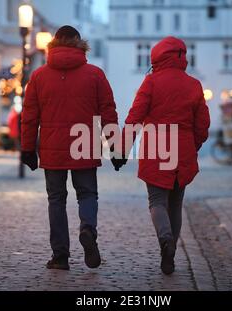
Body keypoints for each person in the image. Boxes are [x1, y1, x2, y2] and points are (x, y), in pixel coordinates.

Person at [20, 26, 118, 270]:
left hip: (52, 147)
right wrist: (116, 147)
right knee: (87, 194)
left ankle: (60, 256)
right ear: (79, 44)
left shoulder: (39, 76)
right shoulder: (95, 75)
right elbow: (108, 112)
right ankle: (87, 229)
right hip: (84, 144)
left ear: (53, 44)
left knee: (56, 199)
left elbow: (29, 117)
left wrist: (27, 148)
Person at [112, 37, 210, 275]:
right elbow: (203, 124)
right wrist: (192, 145)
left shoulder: (151, 82)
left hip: (156, 147)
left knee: (157, 201)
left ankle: (165, 239)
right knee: (175, 203)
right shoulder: (194, 85)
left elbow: (134, 117)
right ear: (182, 56)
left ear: (157, 57)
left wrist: (122, 150)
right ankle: (171, 251)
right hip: (183, 148)